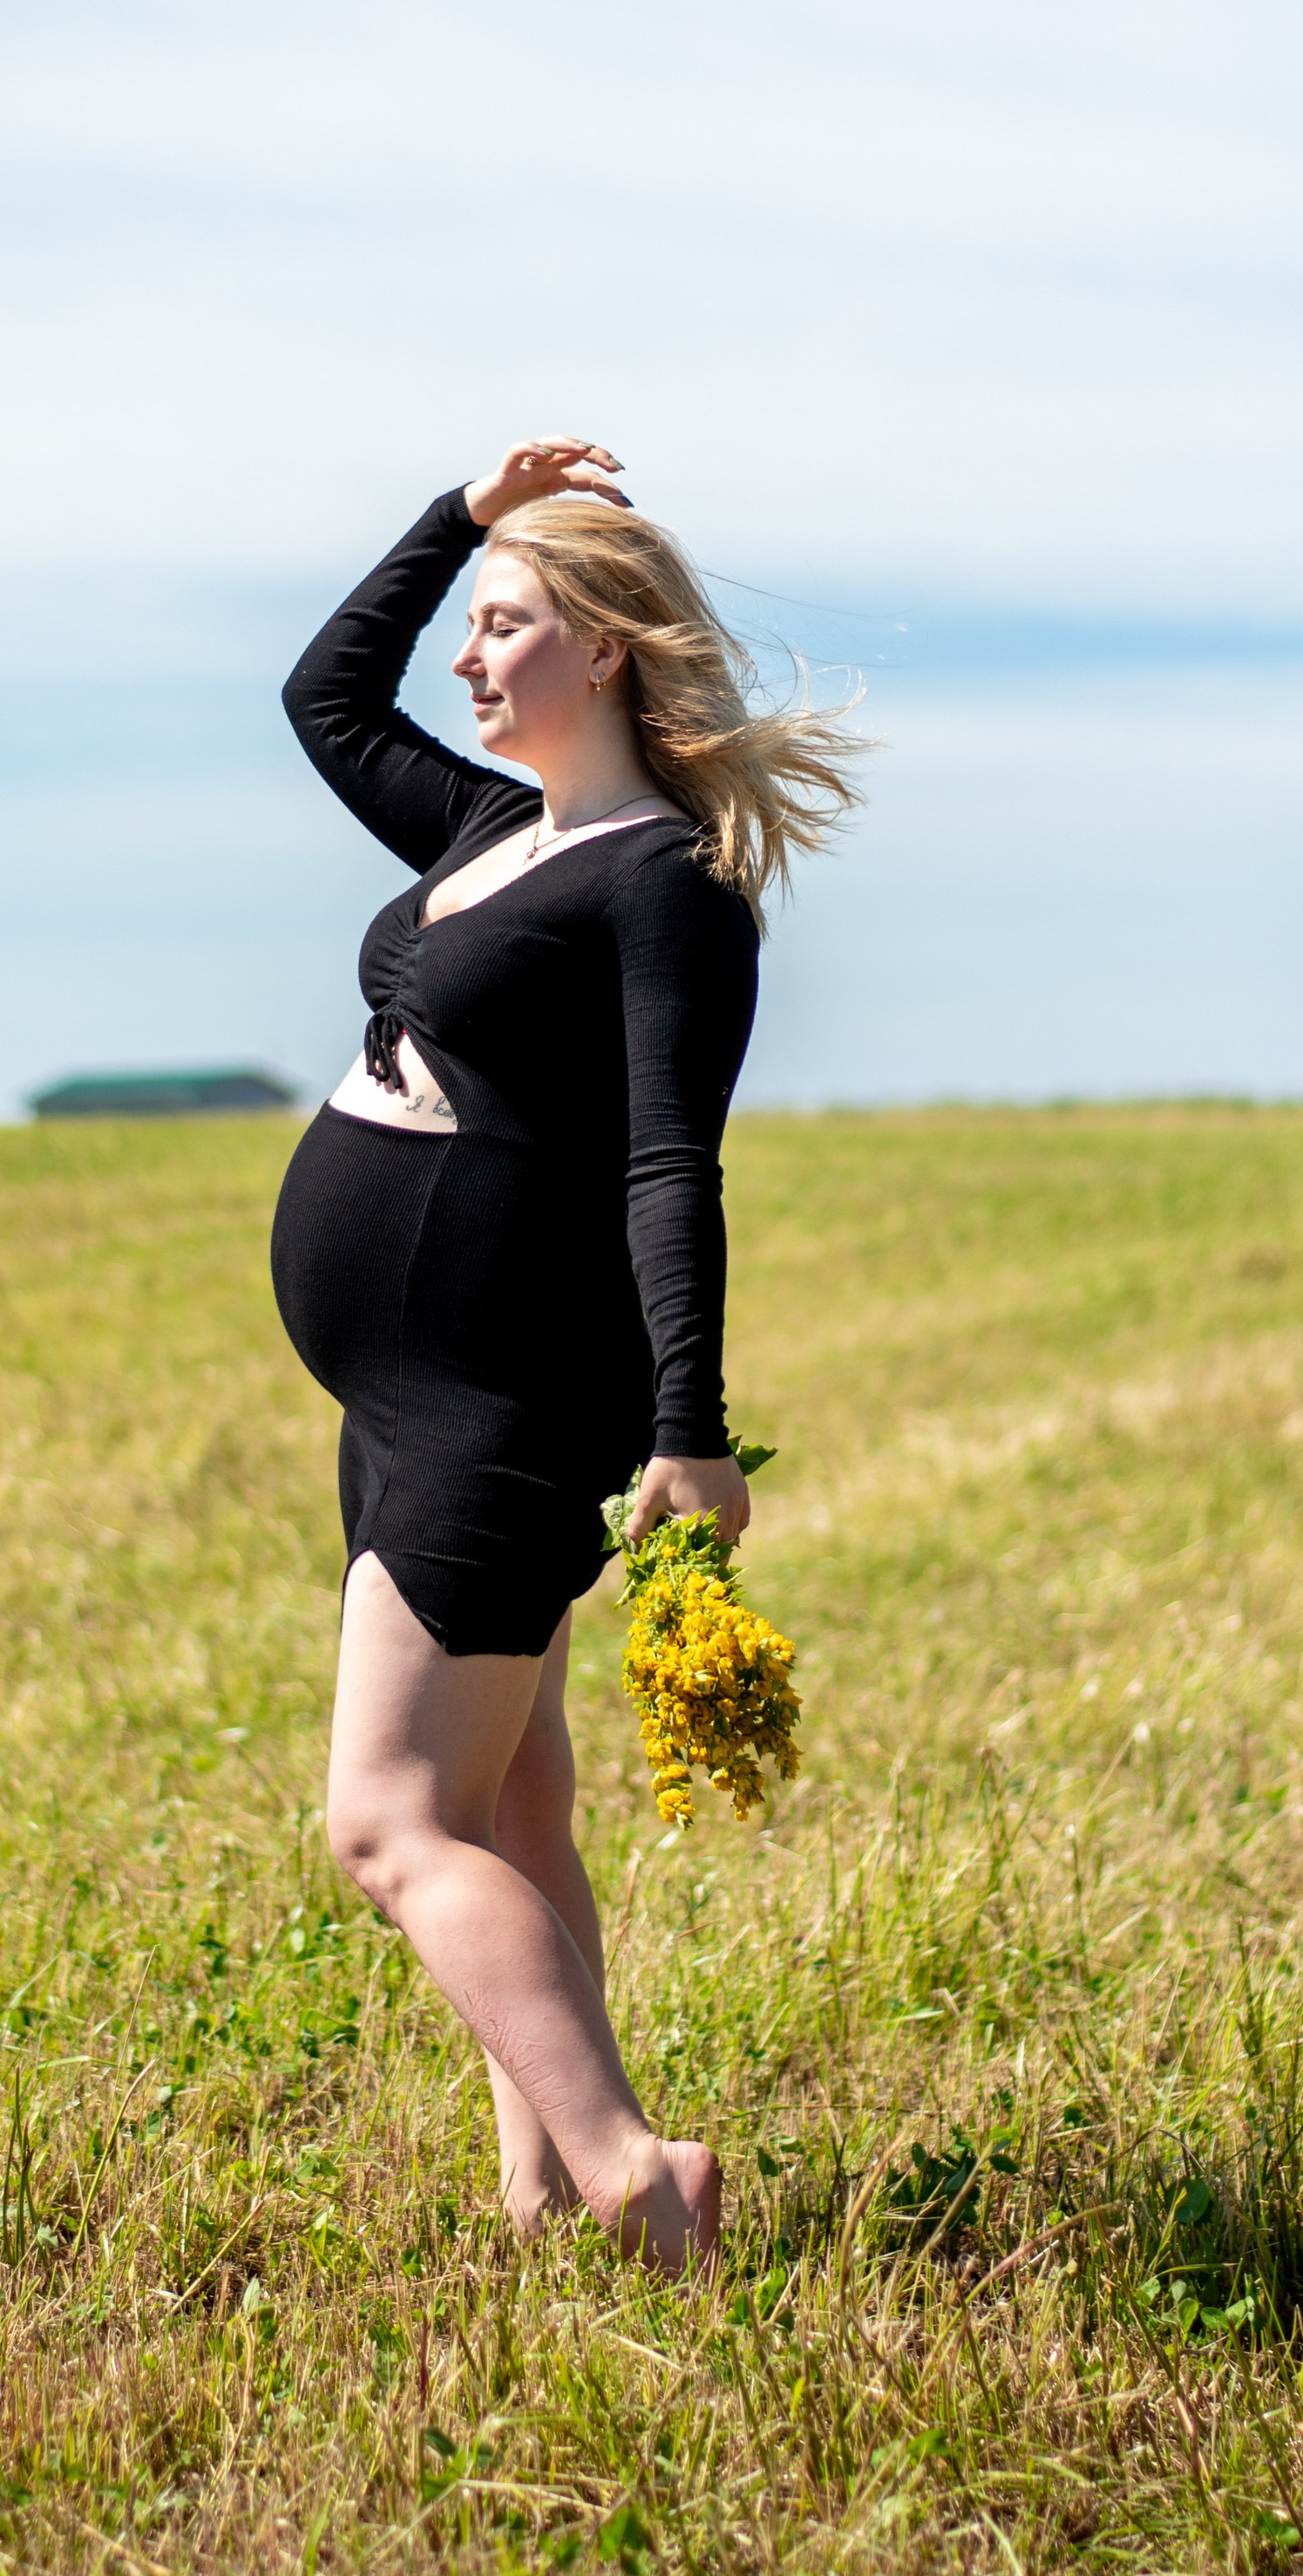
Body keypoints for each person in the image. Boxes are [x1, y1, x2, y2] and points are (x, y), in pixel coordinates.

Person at [270, 434, 862, 2271]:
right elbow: (321, 694)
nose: (466, 655)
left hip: (507, 1402)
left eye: (505, 623)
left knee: (383, 1822)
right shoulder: (487, 833)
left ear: (597, 648)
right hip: (401, 1399)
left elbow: (667, 1157)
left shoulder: (659, 889)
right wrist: (454, 517)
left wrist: (689, 1430)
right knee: (512, 1805)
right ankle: (537, 2191)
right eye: (469, 623)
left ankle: (627, 2175)